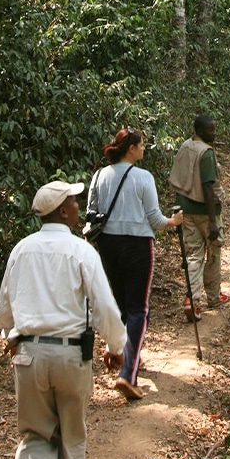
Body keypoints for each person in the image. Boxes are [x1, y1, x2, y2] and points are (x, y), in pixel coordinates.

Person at [0, 180, 129, 459]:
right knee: (70, 436)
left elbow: (4, 313)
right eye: (73, 200)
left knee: (36, 436)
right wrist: (116, 348)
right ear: (64, 212)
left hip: (29, 356)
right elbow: (104, 307)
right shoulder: (80, 251)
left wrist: (13, 334)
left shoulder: (21, 250)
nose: (76, 204)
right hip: (72, 357)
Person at [86, 127, 184, 400]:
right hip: (138, 245)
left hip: (107, 244)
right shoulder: (143, 177)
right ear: (131, 148)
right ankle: (128, 373)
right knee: (138, 308)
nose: (144, 149)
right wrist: (172, 222)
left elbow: (91, 214)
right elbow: (154, 219)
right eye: (141, 145)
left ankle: (116, 349)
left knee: (119, 304)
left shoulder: (99, 176)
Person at [169, 114, 229, 322]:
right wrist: (213, 221)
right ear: (200, 131)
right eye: (211, 130)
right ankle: (213, 296)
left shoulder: (186, 146)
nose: (214, 133)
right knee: (212, 254)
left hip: (186, 210)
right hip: (206, 212)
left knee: (193, 255)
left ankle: (192, 301)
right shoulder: (206, 153)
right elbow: (207, 187)